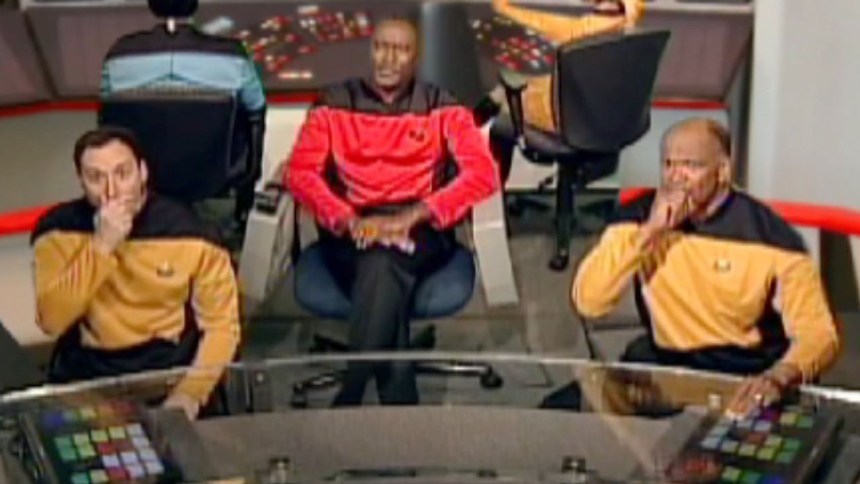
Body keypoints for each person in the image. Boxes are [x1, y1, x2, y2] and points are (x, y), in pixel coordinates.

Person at [286, 18, 499, 405]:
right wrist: (348, 219)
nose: (387, 59)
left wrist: (412, 216)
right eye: (381, 47)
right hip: (350, 228)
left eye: (400, 50)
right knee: (382, 264)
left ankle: (352, 393)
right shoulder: (333, 103)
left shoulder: (442, 105)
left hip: (421, 228)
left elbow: (483, 174)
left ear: (415, 58)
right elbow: (299, 173)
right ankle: (398, 407)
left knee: (382, 262)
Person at [568, 118, 840, 417]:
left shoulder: (771, 238)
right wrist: (649, 233)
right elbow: (589, 303)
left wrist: (779, 376)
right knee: (579, 403)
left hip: (744, 373)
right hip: (667, 367)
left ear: (722, 171)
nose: (676, 178)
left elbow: (819, 335)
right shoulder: (638, 220)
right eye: (668, 164)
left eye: (691, 165)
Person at [32, 127, 241, 420]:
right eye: (96, 178)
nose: (111, 191)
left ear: (142, 172)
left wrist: (190, 393)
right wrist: (101, 246)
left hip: (167, 368)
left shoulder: (194, 234)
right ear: (81, 181)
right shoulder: (55, 233)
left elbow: (222, 326)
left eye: (122, 173)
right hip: (89, 371)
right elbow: (52, 321)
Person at [100, 0, 266, 225]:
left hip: (141, 198)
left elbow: (108, 120)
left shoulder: (118, 56)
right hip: (214, 193)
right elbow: (256, 112)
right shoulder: (233, 56)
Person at [474, 0, 644, 183]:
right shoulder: (628, 23)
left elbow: (504, 12)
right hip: (608, 125)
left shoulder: (572, 30)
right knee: (513, 84)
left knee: (499, 117)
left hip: (566, 128)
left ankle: (486, 186)